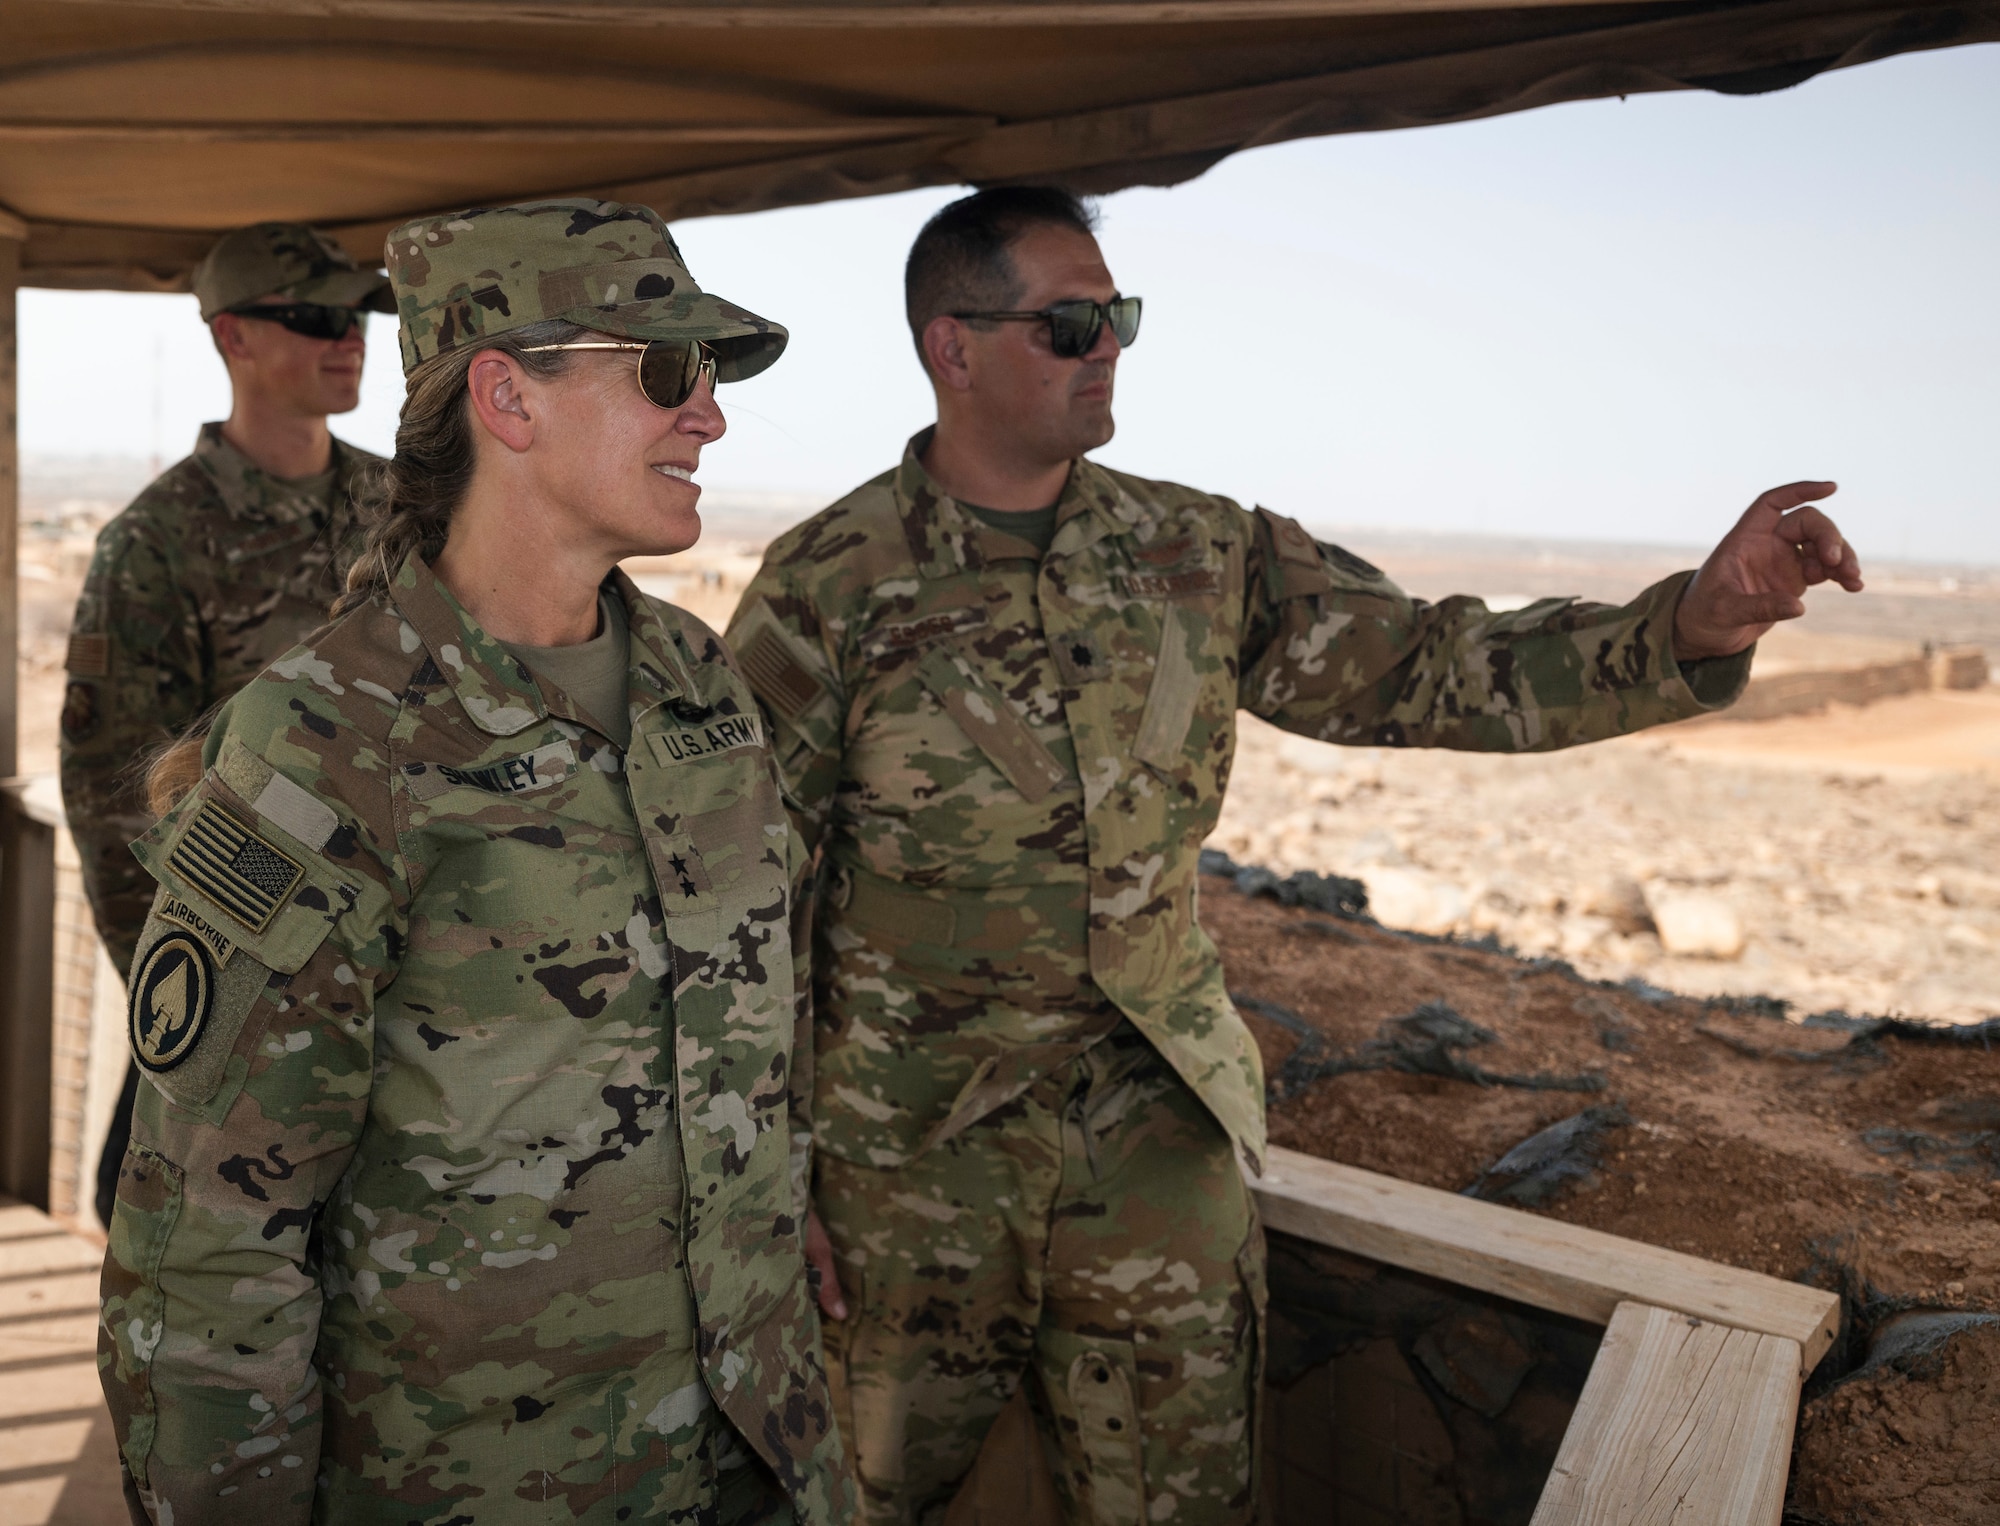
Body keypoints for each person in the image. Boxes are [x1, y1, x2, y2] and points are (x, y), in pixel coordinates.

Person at [724, 185, 1864, 1525]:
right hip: (905, 1173)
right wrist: (767, 1173)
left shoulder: (1199, 554)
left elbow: (1436, 667)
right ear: (951, 347)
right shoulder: (828, 588)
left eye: (1119, 319)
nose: (1109, 351)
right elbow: (742, 898)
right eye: (1072, 325)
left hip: (1152, 1159)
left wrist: (1694, 624)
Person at [97, 199, 850, 1526]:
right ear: (508, 396)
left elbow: (745, 1026)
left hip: (759, 1449)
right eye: (670, 373)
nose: (712, 418)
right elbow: (208, 1255)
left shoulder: (699, 684)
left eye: (713, 379)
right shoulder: (329, 743)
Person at [61, 221, 391, 1227]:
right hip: (242, 998)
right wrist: (195, 1011)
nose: (351, 338)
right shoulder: (158, 544)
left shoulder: (404, 507)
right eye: (315, 317)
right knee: (195, 1298)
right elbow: (118, 804)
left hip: (395, 985)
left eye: (361, 314)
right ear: (231, 338)